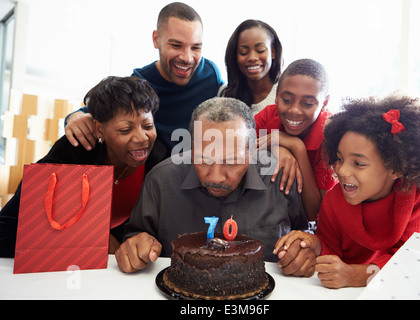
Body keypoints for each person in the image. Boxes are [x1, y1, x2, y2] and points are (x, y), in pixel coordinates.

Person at [114, 97, 315, 275]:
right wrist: (135, 245)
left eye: (232, 162)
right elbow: (136, 236)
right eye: (204, 160)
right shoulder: (160, 180)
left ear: (252, 151)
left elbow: (301, 232)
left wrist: (302, 248)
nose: (217, 177)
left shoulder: (280, 177)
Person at [274, 94, 420, 287]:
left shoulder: (418, 196)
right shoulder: (334, 199)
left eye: (358, 163)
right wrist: (313, 247)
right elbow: (330, 248)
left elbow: (412, 258)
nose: (342, 170)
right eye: (340, 159)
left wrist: (356, 275)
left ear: (396, 168)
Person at [0, 76, 162, 257]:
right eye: (125, 130)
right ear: (99, 129)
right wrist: (96, 237)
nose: (142, 138)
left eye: (148, 125)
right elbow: (7, 228)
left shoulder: (158, 158)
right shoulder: (74, 150)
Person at [64, 2, 224, 159]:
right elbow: (97, 113)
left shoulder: (211, 75)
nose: (187, 58)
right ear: (156, 39)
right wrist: (74, 117)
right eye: (176, 45)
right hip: (154, 178)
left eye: (196, 48)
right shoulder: (141, 83)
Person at [255, 59, 337, 221]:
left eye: (307, 103)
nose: (294, 110)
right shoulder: (268, 116)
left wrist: (296, 147)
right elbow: (239, 150)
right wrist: (277, 148)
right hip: (269, 212)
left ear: (324, 103)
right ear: (277, 95)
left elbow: (314, 213)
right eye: (286, 100)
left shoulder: (331, 135)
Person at [219, 19, 283, 115]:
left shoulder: (286, 93)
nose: (252, 58)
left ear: (273, 52)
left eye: (260, 50)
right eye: (243, 52)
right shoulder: (225, 94)